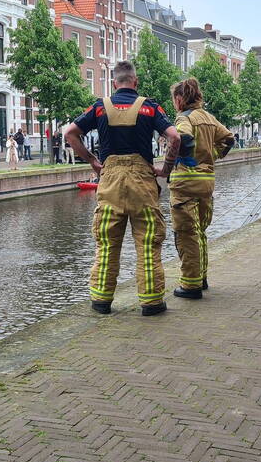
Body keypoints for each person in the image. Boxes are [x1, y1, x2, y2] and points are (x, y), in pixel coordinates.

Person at [64, 60, 180, 316]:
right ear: (135, 82)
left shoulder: (100, 107)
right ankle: (151, 303)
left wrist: (93, 162)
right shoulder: (149, 107)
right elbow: (174, 137)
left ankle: (101, 301)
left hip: (110, 181)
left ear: (114, 83)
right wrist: (165, 170)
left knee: (107, 243)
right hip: (142, 182)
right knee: (148, 243)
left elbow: (70, 134)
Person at [168, 77, 235, 299]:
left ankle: (190, 285)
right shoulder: (208, 118)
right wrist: (211, 157)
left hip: (186, 183)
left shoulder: (184, 117)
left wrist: (183, 161)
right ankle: (201, 277)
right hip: (206, 182)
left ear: (179, 99)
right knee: (200, 232)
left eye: (174, 99)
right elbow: (229, 139)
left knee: (186, 234)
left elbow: (182, 137)